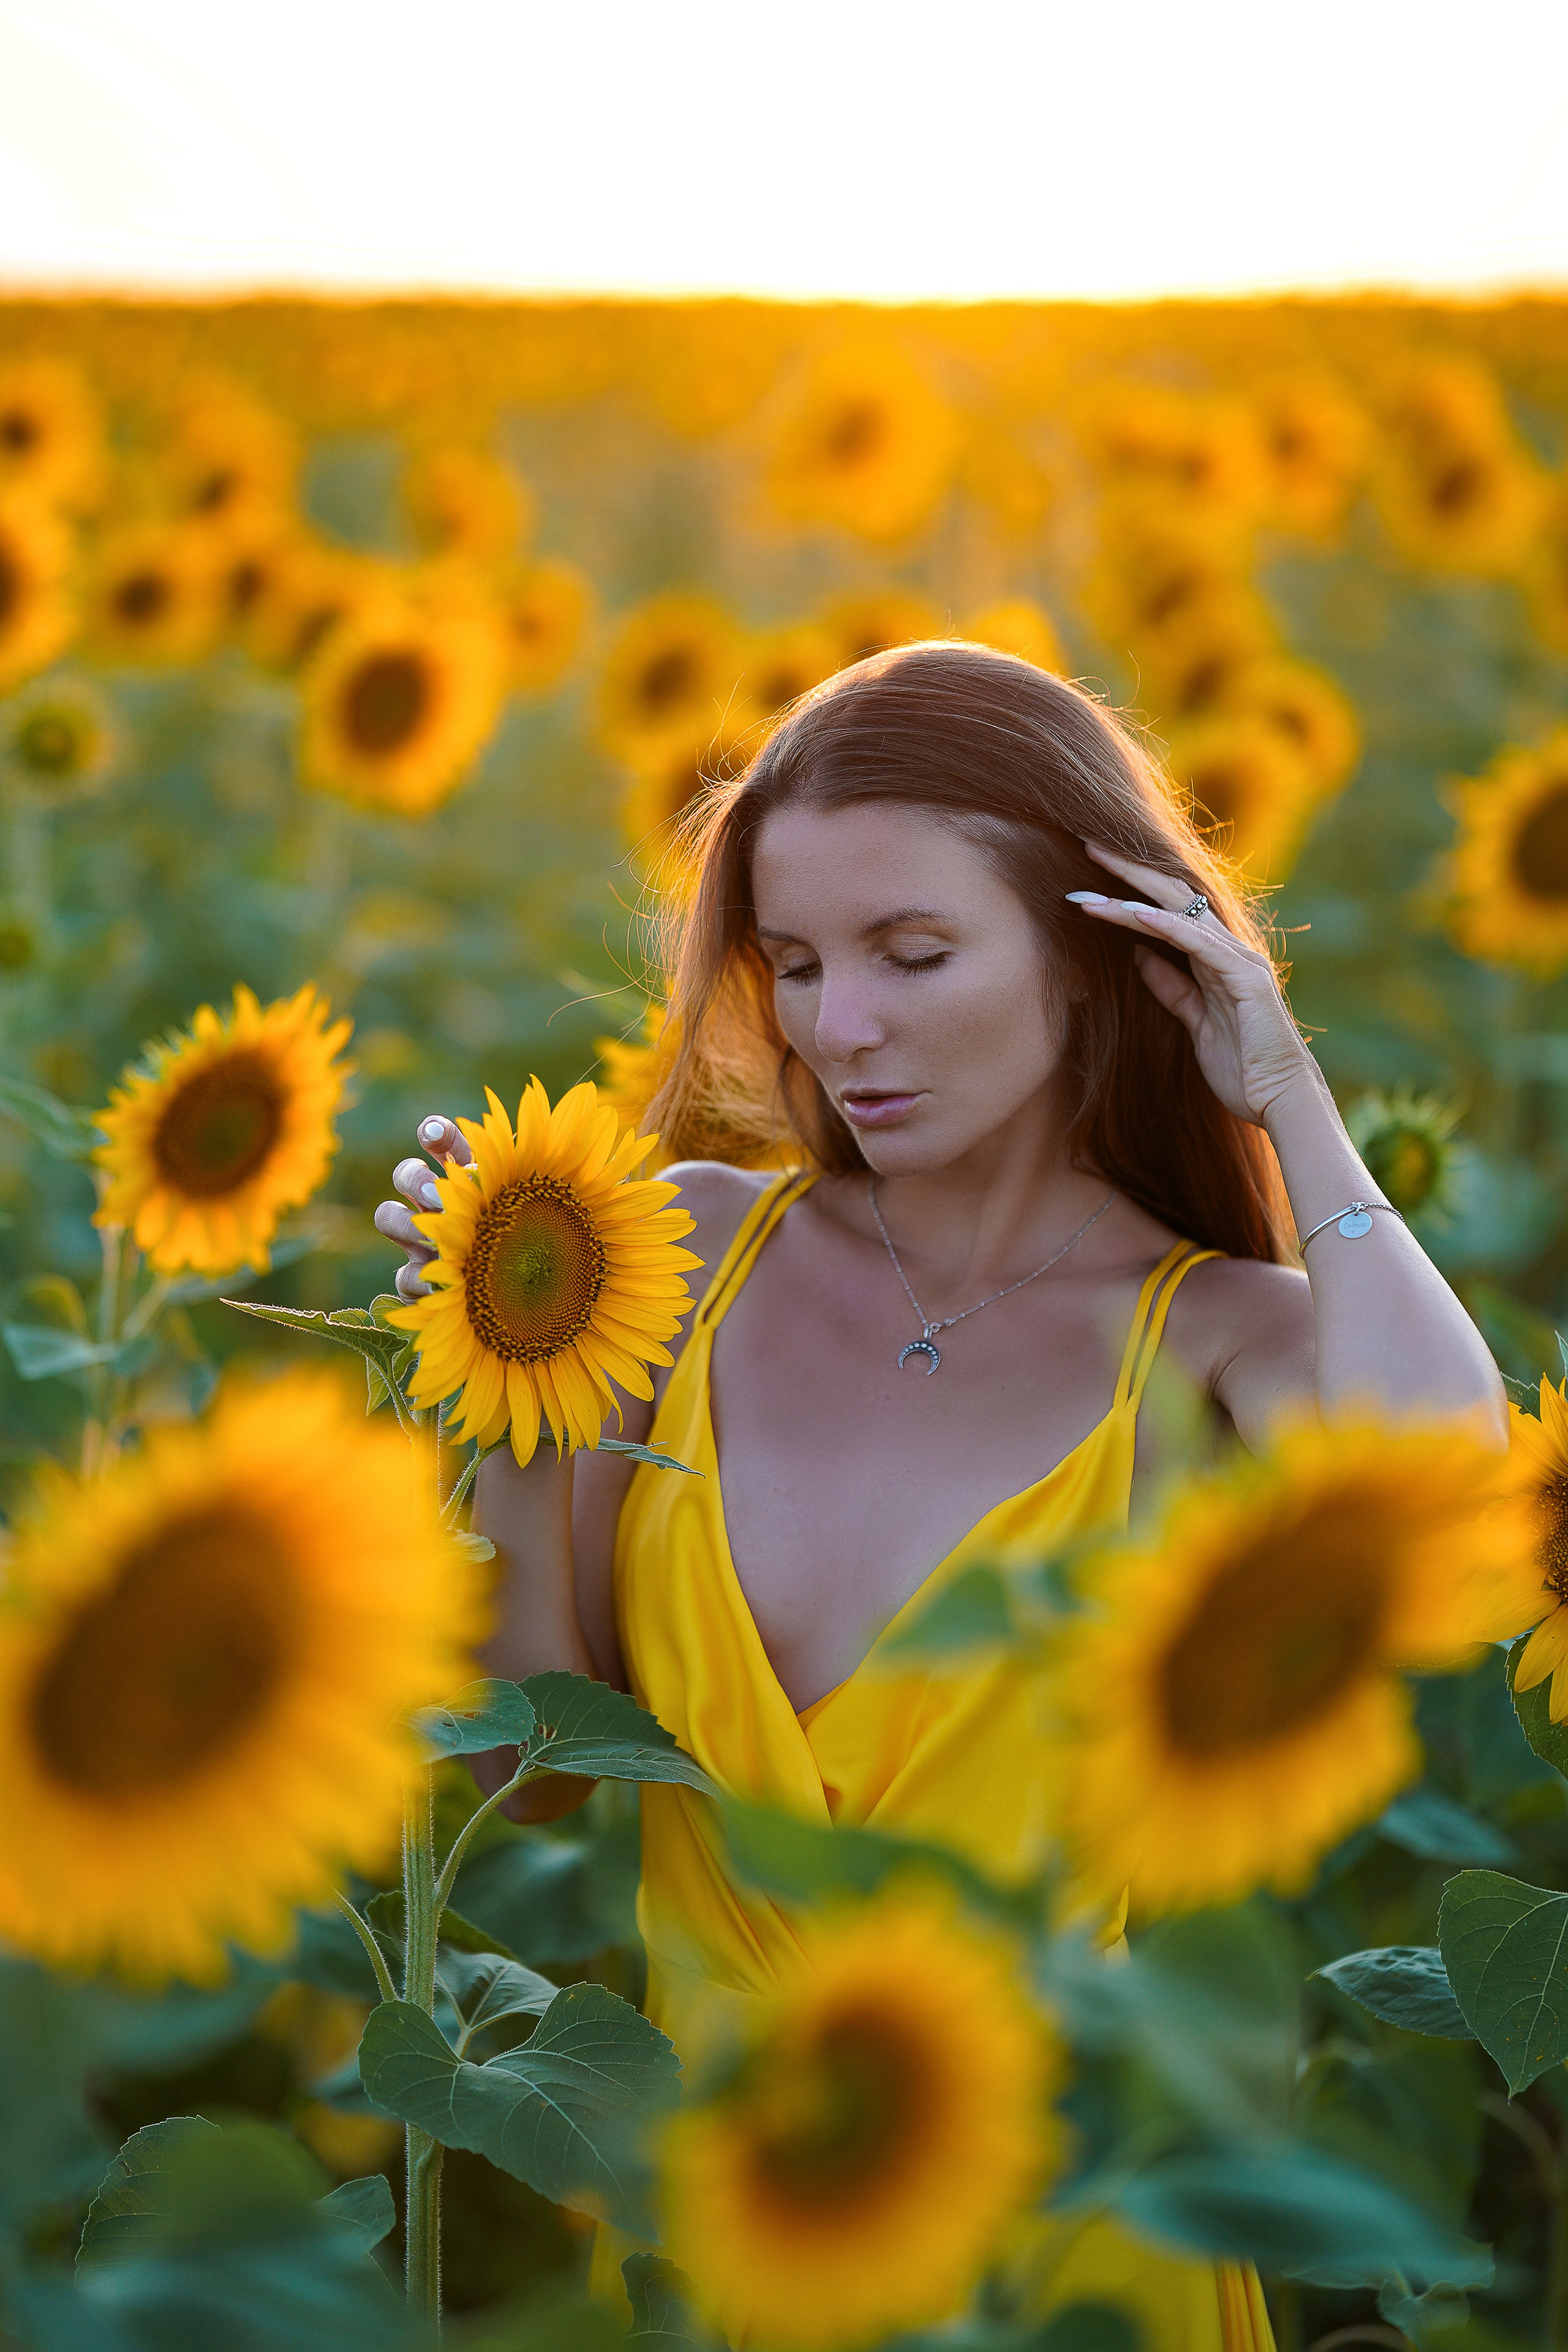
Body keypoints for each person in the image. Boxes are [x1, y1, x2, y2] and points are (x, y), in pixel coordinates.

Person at [377, 643, 1504, 2352]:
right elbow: (516, 1779)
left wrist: (1289, 1096)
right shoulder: (674, 1255)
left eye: (915, 953)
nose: (843, 1030)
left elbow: (1467, 1510)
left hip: (1057, 2268)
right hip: (726, 2249)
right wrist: (512, 1349)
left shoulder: (1207, 1343)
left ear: (1099, 952)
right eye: (803, 963)